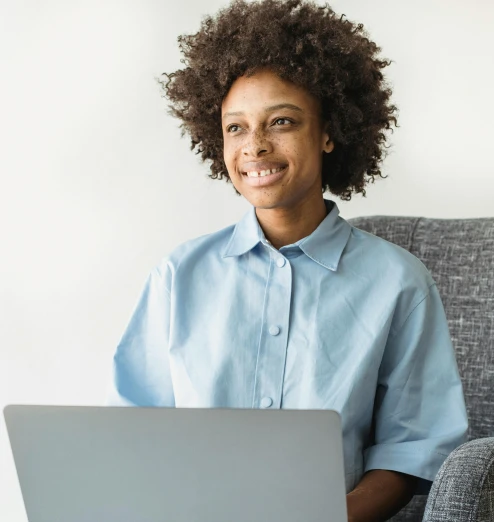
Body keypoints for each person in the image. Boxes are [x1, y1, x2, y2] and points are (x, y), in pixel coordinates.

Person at [107, 0, 468, 520]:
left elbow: (412, 451)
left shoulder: (398, 284)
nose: (254, 146)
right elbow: (130, 433)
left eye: (281, 122)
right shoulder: (178, 276)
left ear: (328, 132)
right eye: (236, 127)